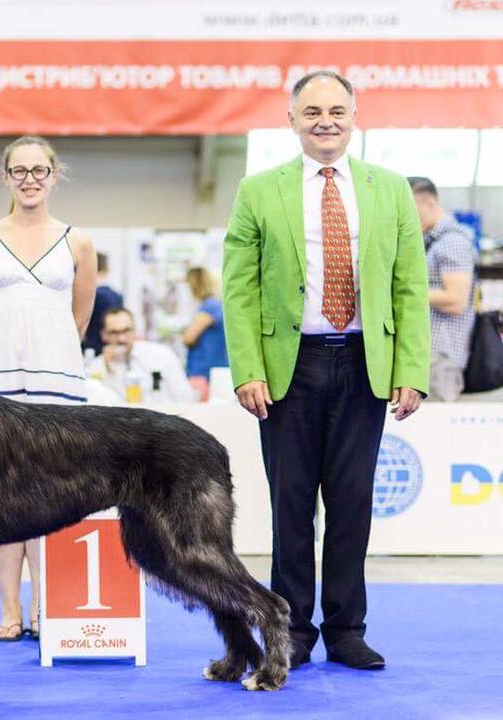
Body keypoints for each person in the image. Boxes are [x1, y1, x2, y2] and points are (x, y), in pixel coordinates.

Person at [222, 70, 429, 671]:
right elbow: (239, 290)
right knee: (290, 507)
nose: (325, 121)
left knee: (351, 503)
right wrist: (246, 371)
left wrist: (410, 368)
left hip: (366, 362)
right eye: (311, 111)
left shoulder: (389, 189)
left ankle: (345, 629)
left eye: (337, 110)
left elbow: (409, 286)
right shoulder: (258, 190)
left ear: (354, 116)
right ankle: (290, 631)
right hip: (290, 368)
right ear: (291, 120)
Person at [0, 136, 95, 642]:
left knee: (48, 493)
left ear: (54, 175)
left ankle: (44, 606)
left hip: (55, 375)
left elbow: (80, 316)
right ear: (6, 177)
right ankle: (9, 610)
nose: (30, 179)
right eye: (19, 170)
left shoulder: (77, 241)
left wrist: (51, 347)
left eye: (39, 170)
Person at [408, 177, 477, 402]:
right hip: (429, 356)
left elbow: (456, 300)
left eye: (410, 209)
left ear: (429, 203)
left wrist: (405, 291)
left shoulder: (452, 242)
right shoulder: (432, 240)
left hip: (440, 356)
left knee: (435, 431)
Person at [87, 307, 193, 403]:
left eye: (126, 330)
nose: (121, 339)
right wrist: (108, 369)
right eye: (114, 333)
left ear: (135, 330)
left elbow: (185, 396)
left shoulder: (161, 354)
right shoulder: (97, 366)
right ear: (103, 335)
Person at [181, 267, 228, 401]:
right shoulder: (215, 306)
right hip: (211, 370)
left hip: (203, 372)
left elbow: (189, 338)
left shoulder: (209, 307)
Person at [82, 252, 124, 356]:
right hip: (112, 349)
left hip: (90, 351)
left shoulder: (89, 295)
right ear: (107, 268)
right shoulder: (117, 296)